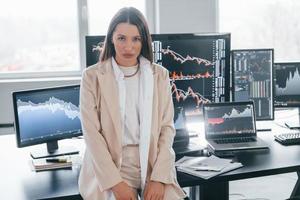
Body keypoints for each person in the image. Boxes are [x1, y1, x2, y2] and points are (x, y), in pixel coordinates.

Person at [79, 7, 186, 200]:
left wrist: (159, 178)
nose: (129, 47)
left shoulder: (159, 75)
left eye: (136, 39)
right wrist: (116, 184)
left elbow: (167, 129)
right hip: (112, 165)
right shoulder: (92, 76)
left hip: (151, 160)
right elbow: (92, 135)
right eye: (122, 38)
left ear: (143, 40)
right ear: (111, 38)